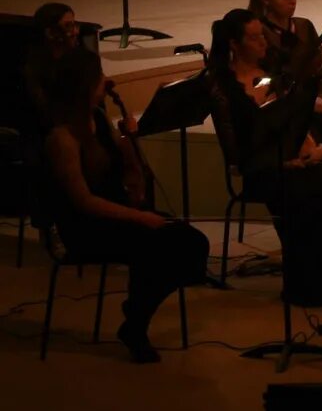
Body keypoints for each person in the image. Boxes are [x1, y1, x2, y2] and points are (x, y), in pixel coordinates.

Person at [36, 46, 208, 362]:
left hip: (118, 214)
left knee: (194, 243)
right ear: (83, 86)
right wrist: (141, 219)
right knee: (155, 246)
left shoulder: (99, 119)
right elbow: (84, 202)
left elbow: (131, 174)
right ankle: (136, 324)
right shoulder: (62, 139)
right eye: (99, 76)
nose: (106, 81)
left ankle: (137, 308)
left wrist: (129, 138)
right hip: (85, 228)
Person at [205, 6, 322, 306]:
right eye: (254, 38)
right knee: (314, 192)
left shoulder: (275, 70)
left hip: (300, 159)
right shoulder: (223, 87)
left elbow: (301, 115)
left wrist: (319, 148)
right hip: (264, 168)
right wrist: (283, 162)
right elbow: (236, 149)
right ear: (234, 45)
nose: (263, 43)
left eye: (262, 35)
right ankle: (312, 287)